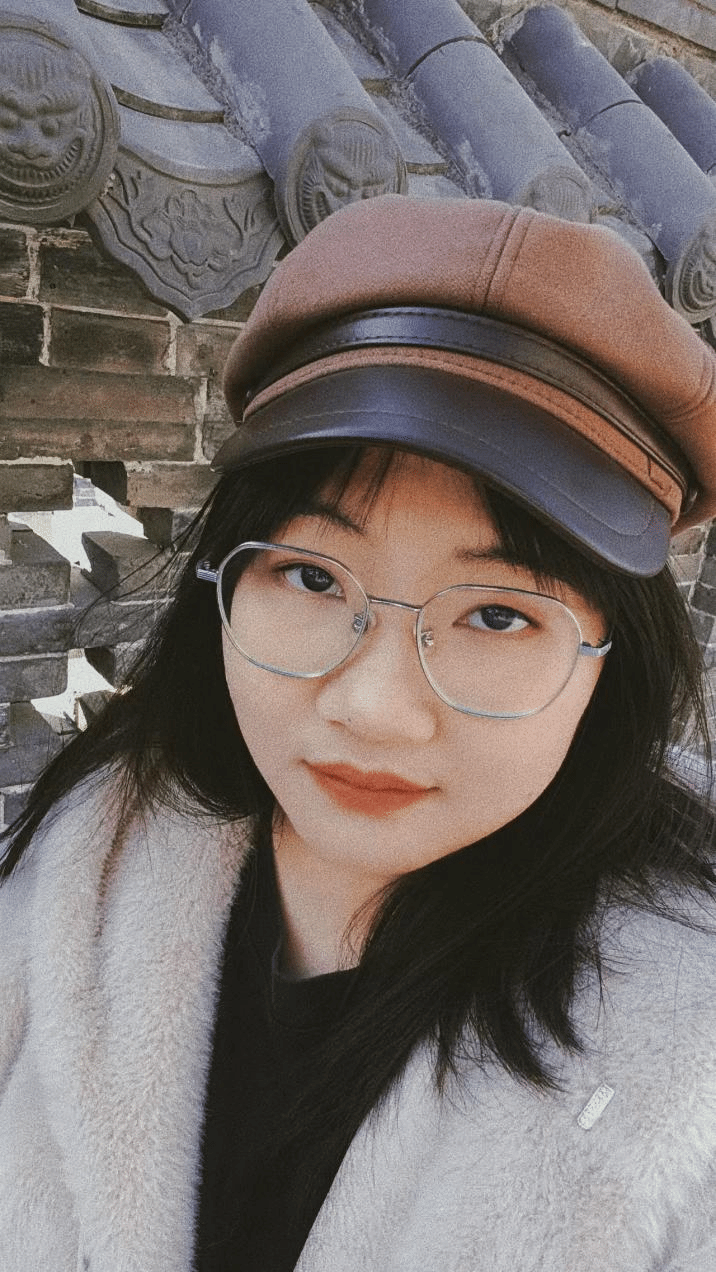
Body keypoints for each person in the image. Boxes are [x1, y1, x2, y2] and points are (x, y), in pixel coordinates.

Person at [2, 195, 716, 1272]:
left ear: (610, 665)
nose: (372, 706)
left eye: (496, 614)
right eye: (310, 576)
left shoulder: (685, 1067)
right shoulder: (84, 876)